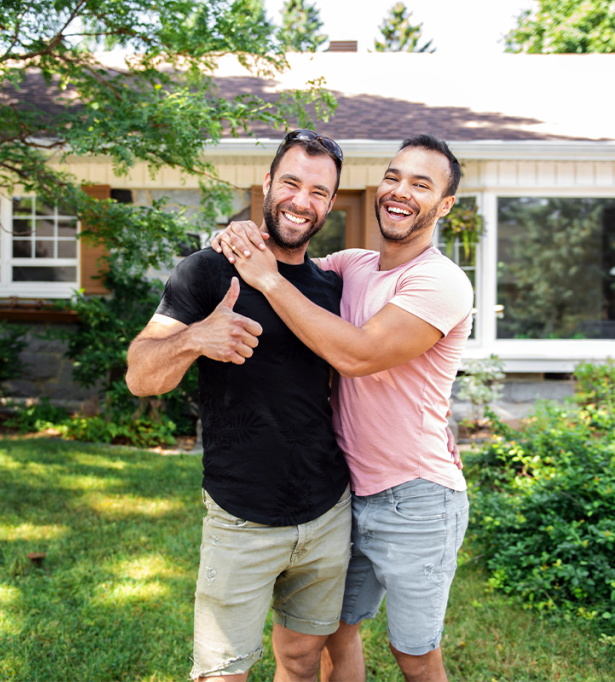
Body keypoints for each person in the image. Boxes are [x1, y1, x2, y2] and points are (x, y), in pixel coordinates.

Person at [212, 134, 474, 682]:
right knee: (335, 632)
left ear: (444, 206)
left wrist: (265, 278)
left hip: (418, 496)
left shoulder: (440, 282)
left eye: (421, 185)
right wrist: (244, 231)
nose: (400, 192)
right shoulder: (353, 265)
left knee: (415, 655)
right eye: (394, 177)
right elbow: (291, 249)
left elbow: (358, 355)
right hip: (346, 493)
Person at [126, 130, 352, 682]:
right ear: (268, 183)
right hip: (240, 515)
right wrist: (195, 338)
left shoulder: (330, 287)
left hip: (327, 512)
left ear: (330, 204)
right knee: (221, 673)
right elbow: (139, 374)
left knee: (300, 660)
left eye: (319, 192)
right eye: (292, 182)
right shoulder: (208, 270)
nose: (302, 201)